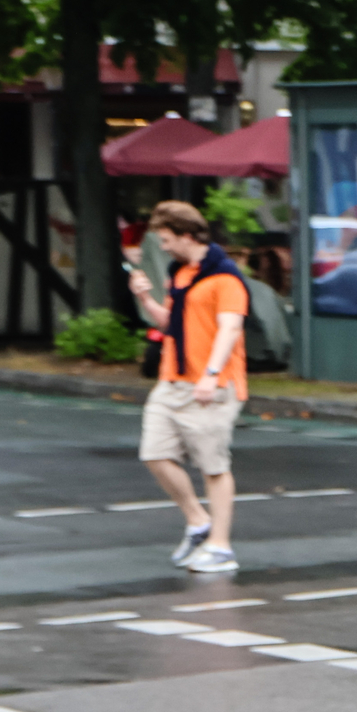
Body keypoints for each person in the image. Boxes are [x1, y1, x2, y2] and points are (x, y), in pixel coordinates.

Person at [127, 200, 250, 574]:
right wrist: (145, 298)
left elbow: (230, 329)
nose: (162, 247)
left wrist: (210, 375)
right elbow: (170, 324)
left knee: (212, 466)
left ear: (186, 236)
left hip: (212, 384)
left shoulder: (225, 278)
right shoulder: (180, 274)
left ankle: (221, 546)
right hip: (172, 379)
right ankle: (199, 522)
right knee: (154, 453)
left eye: (166, 239)